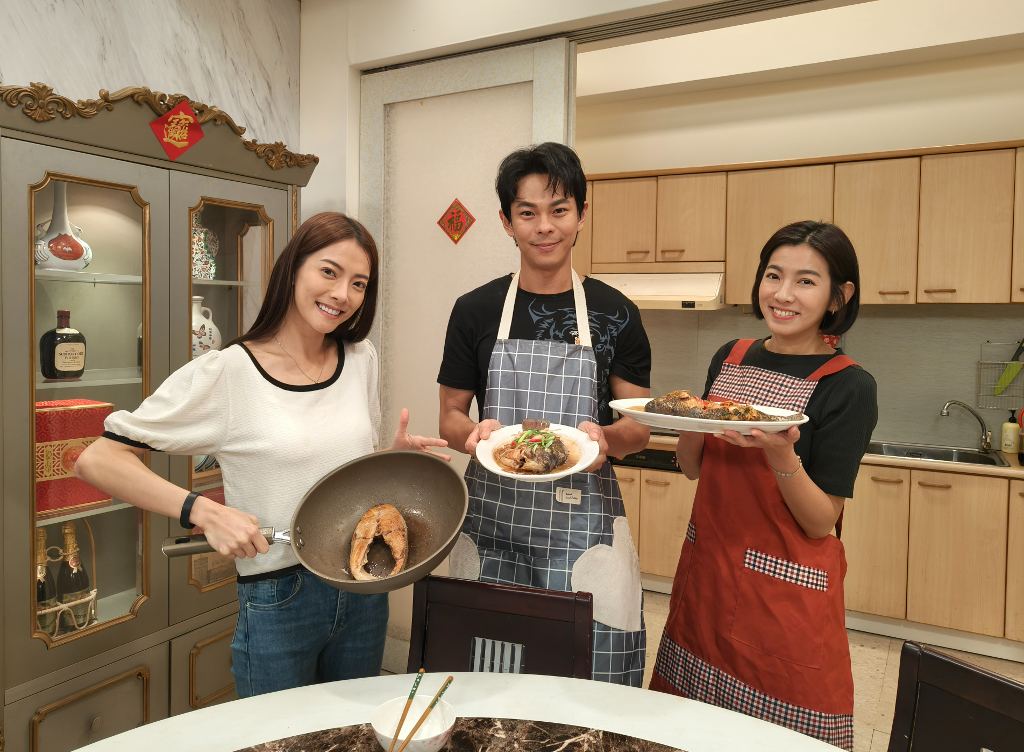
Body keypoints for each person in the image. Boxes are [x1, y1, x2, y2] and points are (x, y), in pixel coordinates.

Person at [76, 213, 447, 697]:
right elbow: (98, 459)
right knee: (280, 734)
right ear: (293, 270)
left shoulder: (361, 360)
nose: (342, 294)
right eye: (329, 272)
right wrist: (204, 511)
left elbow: (330, 466)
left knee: (353, 728)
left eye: (359, 283)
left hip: (364, 587)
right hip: (280, 593)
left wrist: (388, 456)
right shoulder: (230, 373)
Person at [649, 221, 877, 749]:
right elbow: (693, 467)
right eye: (773, 276)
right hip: (708, 576)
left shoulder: (848, 385)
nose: (783, 294)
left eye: (805, 281)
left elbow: (821, 521)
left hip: (783, 596)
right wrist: (689, 420)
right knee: (687, 731)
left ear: (839, 297)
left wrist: (780, 452)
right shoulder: (731, 356)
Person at [437, 142, 653, 685]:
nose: (544, 227)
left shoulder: (615, 312)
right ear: (507, 221)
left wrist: (606, 439)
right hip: (492, 521)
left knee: (589, 668)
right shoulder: (474, 310)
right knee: (487, 671)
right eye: (527, 212)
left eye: (559, 210)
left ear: (582, 214)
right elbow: (450, 416)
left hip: (583, 525)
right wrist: (474, 435)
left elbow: (639, 426)